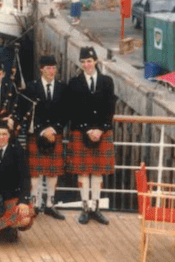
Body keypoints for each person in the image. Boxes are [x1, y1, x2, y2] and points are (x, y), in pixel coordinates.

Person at [68, 46, 116, 225]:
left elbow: (110, 107)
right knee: (83, 173)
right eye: (83, 62)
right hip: (82, 131)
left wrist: (101, 129)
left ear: (95, 61)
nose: (86, 65)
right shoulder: (74, 83)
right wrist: (87, 129)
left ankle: (95, 208)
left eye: (89, 61)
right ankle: (85, 208)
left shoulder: (107, 81)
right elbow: (73, 109)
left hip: (102, 132)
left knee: (97, 173)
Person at [24, 55, 69, 220]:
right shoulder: (31, 87)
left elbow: (66, 112)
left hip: (54, 134)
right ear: (41, 69)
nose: (51, 71)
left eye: (53, 68)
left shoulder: (62, 88)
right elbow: (27, 112)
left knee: (52, 172)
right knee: (35, 173)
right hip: (37, 133)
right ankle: (35, 204)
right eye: (48, 68)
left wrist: (55, 129)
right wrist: (42, 130)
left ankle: (50, 204)